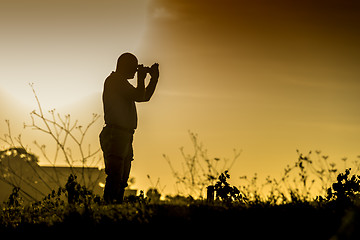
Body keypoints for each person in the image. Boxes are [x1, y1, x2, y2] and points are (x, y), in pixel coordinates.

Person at [99, 53, 159, 203]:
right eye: (134, 67)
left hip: (124, 136)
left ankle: (115, 208)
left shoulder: (121, 83)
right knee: (115, 176)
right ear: (125, 66)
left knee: (122, 179)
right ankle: (109, 209)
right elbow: (140, 96)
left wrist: (153, 79)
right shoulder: (114, 81)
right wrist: (141, 78)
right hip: (115, 135)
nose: (135, 70)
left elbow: (143, 96)